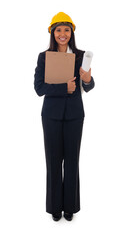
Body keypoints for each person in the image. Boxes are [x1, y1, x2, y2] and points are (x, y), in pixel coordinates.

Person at [34, 12, 95, 221]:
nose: (62, 34)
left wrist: (87, 80)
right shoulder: (44, 56)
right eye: (58, 30)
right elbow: (39, 88)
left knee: (71, 161)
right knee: (53, 161)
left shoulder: (80, 55)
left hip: (74, 116)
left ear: (72, 32)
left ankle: (70, 206)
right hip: (50, 116)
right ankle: (54, 208)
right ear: (52, 32)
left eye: (66, 30)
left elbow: (89, 85)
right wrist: (64, 88)